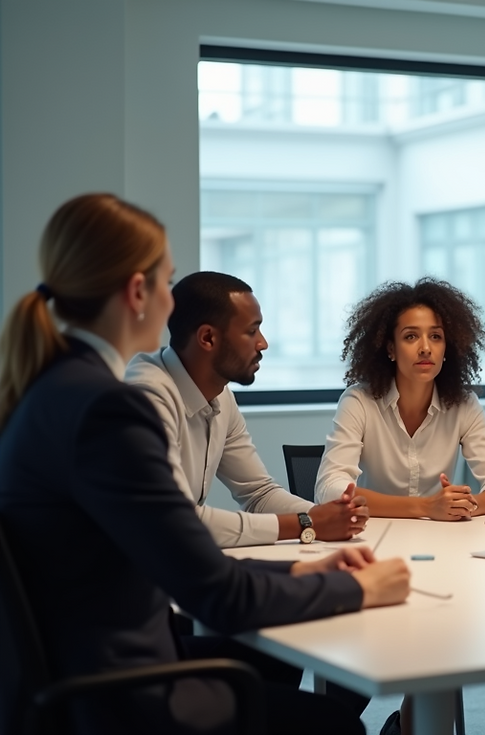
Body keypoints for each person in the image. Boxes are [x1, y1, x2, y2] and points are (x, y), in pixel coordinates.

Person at [0, 193, 410, 734]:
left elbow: (181, 557)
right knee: (335, 724)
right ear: (138, 291)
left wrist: (300, 567)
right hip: (124, 696)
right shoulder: (111, 409)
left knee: (286, 656)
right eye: (167, 283)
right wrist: (360, 588)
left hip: (81, 669)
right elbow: (216, 594)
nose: (174, 302)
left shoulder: (51, 388)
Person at [126, 271, 368, 549]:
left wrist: (328, 515)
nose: (263, 343)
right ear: (207, 338)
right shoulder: (147, 397)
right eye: (252, 331)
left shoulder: (220, 396)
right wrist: (307, 523)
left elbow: (258, 494)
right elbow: (173, 519)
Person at [314, 278, 485, 520]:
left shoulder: (463, 404)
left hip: (441, 539)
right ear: (390, 348)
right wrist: (425, 507)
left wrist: (461, 505)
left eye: (436, 337)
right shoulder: (359, 402)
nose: (425, 348)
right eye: (411, 337)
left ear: (448, 348)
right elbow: (330, 489)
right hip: (374, 538)